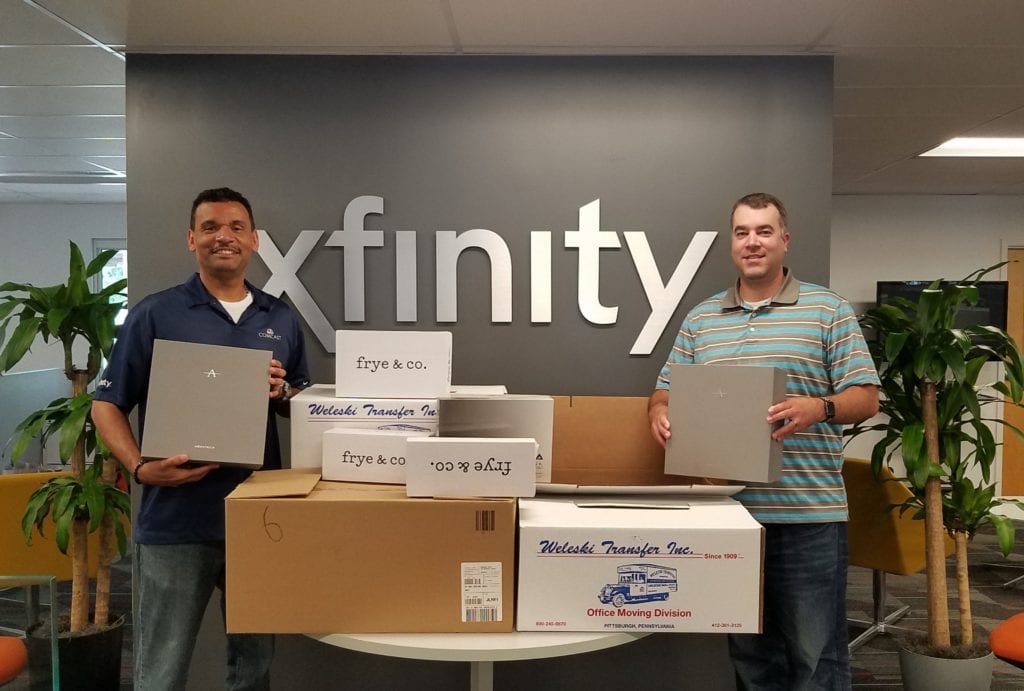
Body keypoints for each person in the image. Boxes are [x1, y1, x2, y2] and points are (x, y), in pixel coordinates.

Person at [648, 192, 880, 690]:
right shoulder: (701, 319)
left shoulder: (827, 310)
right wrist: (662, 412)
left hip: (809, 519)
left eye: (763, 231)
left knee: (816, 660)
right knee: (752, 659)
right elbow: (664, 389)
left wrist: (818, 407)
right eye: (742, 232)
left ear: (784, 240)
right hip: (732, 516)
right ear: (732, 242)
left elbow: (866, 397)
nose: (752, 242)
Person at [92, 187, 310, 691]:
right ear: (192, 239)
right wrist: (141, 469)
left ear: (254, 240)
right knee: (160, 670)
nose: (223, 237)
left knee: (253, 666)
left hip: (257, 519)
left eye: (235, 227)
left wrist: (284, 392)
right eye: (210, 227)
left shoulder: (279, 318)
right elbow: (106, 403)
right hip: (175, 523)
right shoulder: (156, 313)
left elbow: (301, 403)